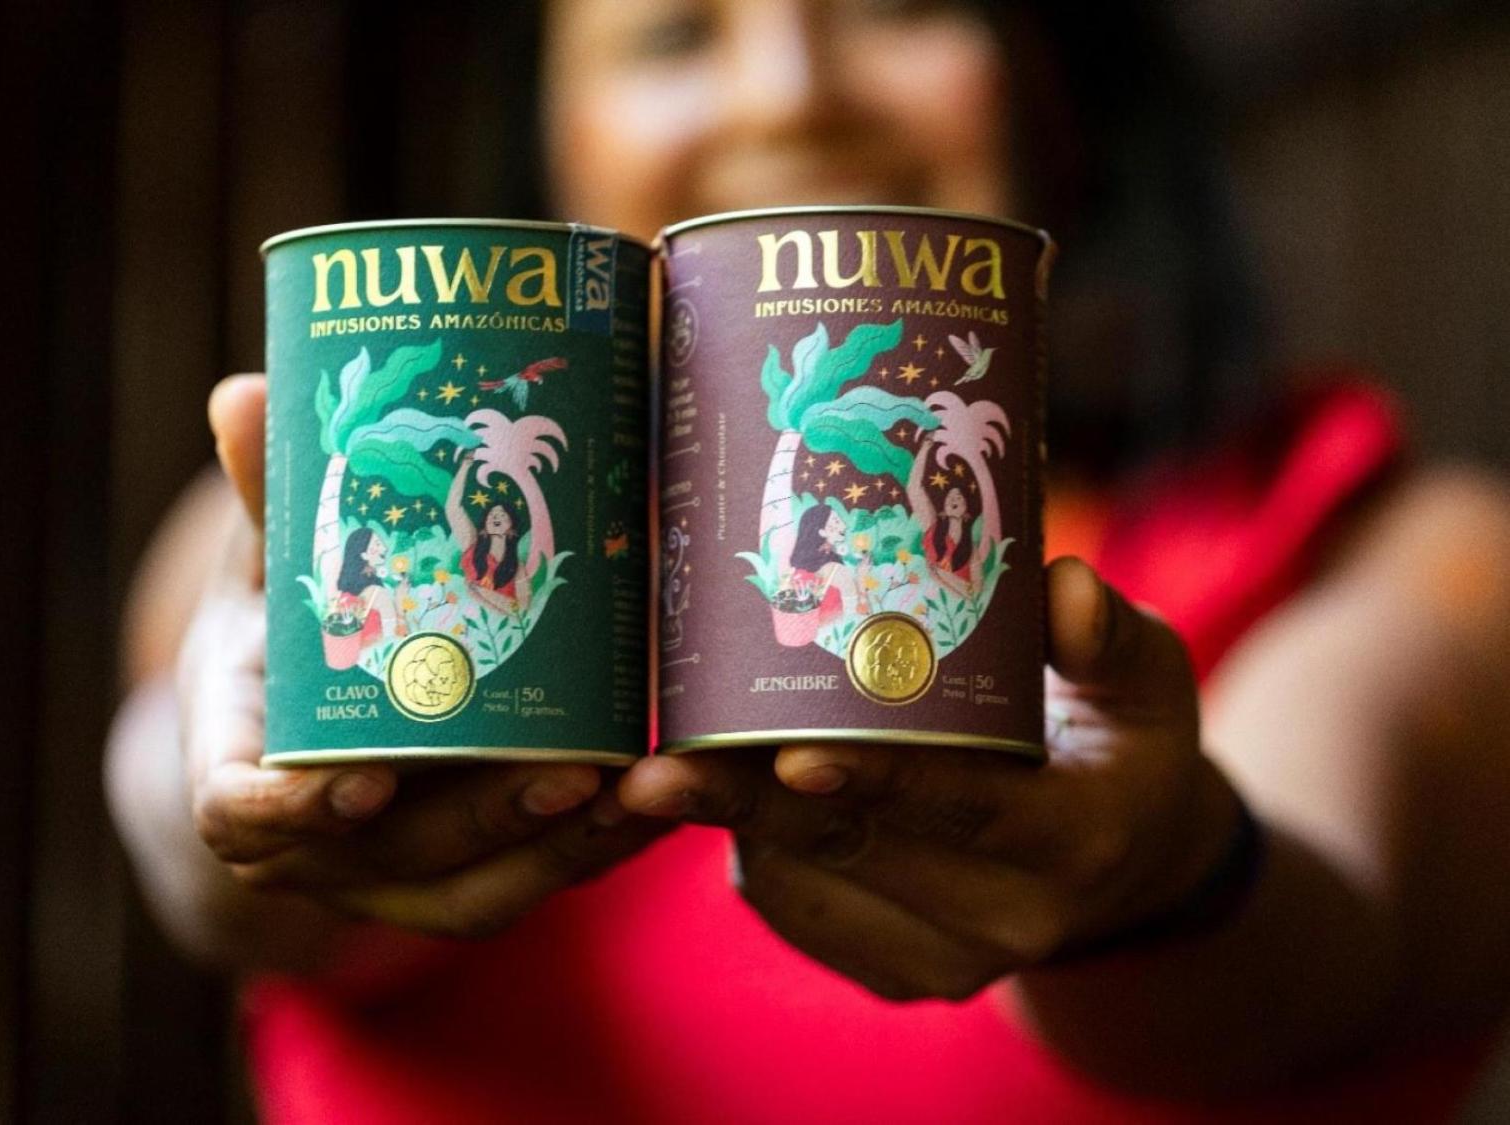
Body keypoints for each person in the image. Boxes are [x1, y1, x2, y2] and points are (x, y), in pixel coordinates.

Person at [106, 0, 1510, 1120]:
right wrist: (228, 824)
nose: (792, 91)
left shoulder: (1378, 547)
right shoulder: (321, 515)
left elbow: (1316, 930)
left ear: (1053, 65)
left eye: (898, 4)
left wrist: (1164, 881)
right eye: (670, 33)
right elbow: (189, 757)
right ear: (548, 126)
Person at [446, 451, 533, 617]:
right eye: (492, 515)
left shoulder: (516, 567)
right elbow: (452, 508)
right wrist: (465, 467)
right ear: (484, 526)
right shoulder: (472, 547)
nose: (496, 517)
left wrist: (484, 594)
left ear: (511, 527)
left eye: (502, 515)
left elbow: (523, 609)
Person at [906, 441, 984, 600]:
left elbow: (976, 593)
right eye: (949, 496)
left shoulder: (971, 550)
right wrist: (925, 448)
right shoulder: (932, 529)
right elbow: (913, 488)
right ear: (944, 507)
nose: (953, 499)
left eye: (959, 497)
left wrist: (943, 577)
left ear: (966, 510)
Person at [786, 504, 871, 624]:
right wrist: (861, 578)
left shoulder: (806, 565)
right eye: (836, 521)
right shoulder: (835, 569)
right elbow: (855, 619)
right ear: (822, 531)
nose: (844, 526)